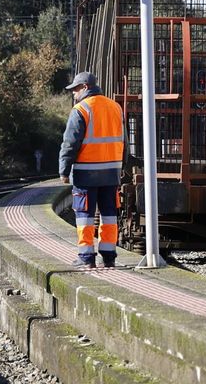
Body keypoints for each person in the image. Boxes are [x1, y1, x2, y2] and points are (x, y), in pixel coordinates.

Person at [59, 72, 125, 268]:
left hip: (86, 173)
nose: (74, 93)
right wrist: (124, 165)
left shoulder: (81, 109)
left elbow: (70, 143)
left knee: (85, 215)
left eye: (76, 89)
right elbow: (125, 140)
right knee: (109, 214)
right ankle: (109, 256)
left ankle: (86, 257)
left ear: (85, 87)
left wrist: (64, 170)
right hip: (111, 172)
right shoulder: (115, 107)